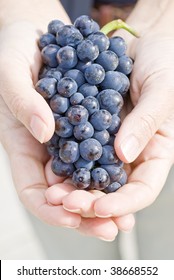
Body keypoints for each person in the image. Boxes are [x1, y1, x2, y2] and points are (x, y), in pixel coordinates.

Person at [0, 0, 174, 242]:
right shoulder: (66, 55)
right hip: (42, 153)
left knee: (165, 246)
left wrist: (165, 13)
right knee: (71, 240)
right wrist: (18, 7)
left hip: (163, 63)